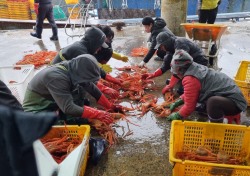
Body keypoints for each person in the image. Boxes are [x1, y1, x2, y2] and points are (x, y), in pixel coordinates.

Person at [22, 54, 123, 125]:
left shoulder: (76, 68)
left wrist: (110, 107)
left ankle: (74, 118)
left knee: (83, 100)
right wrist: (98, 114)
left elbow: (92, 88)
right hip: (38, 107)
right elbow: (69, 108)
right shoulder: (56, 77)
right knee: (58, 123)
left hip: (54, 101)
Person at [165, 49, 247, 123]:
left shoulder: (190, 79)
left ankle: (217, 127)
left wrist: (178, 115)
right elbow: (191, 92)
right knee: (201, 105)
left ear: (180, 70)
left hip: (235, 102)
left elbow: (189, 107)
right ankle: (222, 114)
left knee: (212, 102)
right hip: (230, 97)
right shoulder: (194, 67)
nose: (176, 75)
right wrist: (178, 102)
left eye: (176, 73)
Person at [51, 26, 122, 96]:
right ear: (94, 43)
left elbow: (95, 68)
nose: (100, 48)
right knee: (80, 95)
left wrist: (115, 81)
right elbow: (85, 80)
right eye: (99, 46)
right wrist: (104, 89)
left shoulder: (82, 46)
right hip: (54, 80)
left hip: (60, 73)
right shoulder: (80, 52)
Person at [142, 31, 208, 95]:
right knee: (175, 75)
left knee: (182, 91)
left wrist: (170, 85)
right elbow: (165, 66)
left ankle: (197, 81)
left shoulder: (180, 44)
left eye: (161, 46)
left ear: (166, 43)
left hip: (199, 62)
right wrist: (152, 75)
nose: (161, 48)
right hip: (189, 63)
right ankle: (182, 78)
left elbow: (181, 65)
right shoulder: (170, 48)